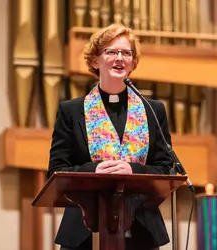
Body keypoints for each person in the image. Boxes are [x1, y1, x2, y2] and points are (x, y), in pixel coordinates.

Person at [48, 23, 173, 250]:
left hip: (142, 231)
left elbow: (166, 168)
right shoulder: (72, 111)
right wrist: (94, 170)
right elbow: (56, 169)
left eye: (127, 53)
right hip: (82, 234)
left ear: (133, 63)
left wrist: (133, 170)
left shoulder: (152, 109)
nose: (120, 58)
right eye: (111, 51)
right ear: (95, 60)